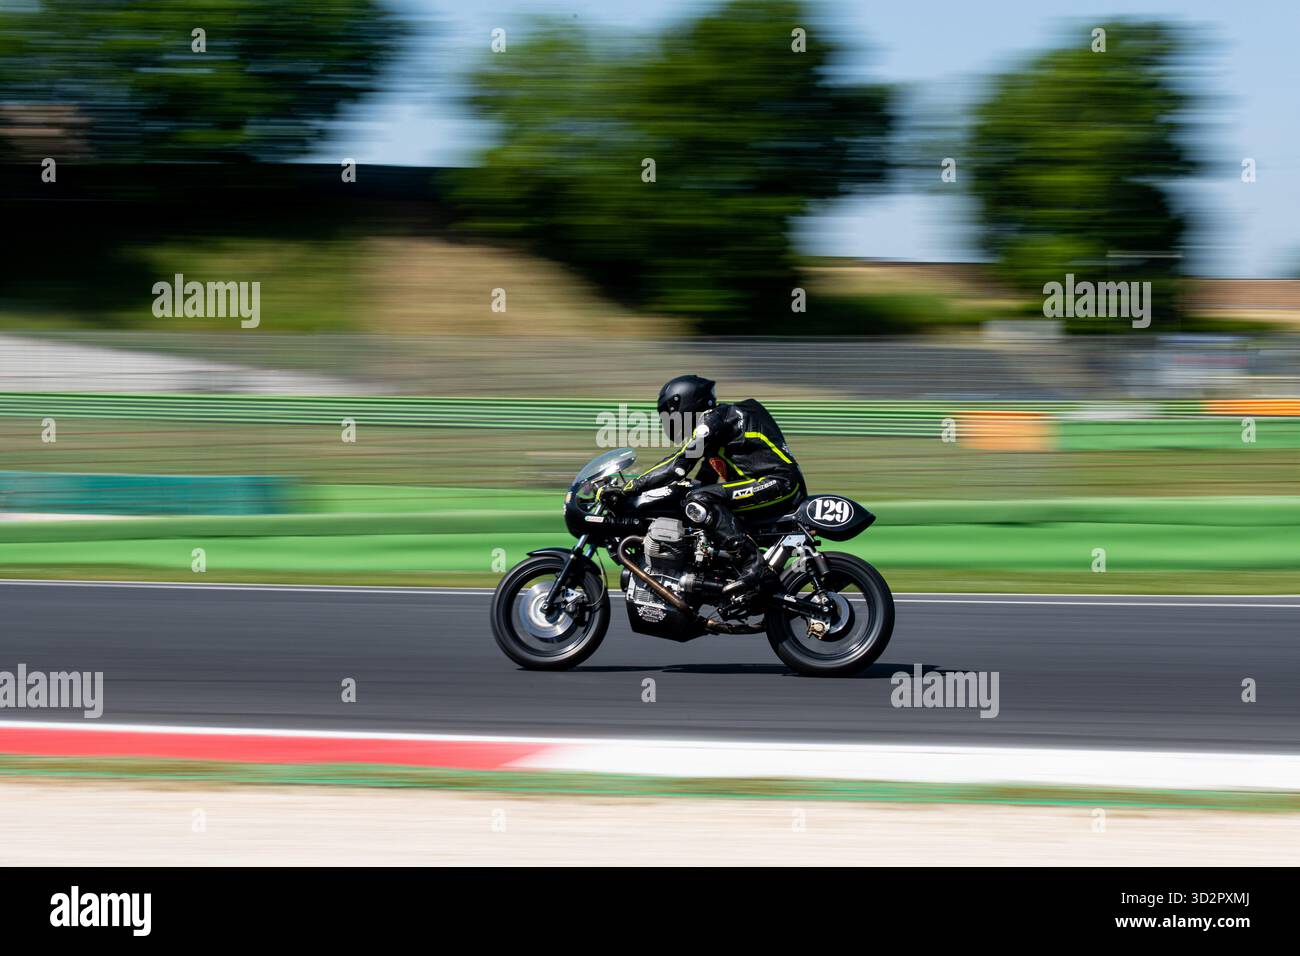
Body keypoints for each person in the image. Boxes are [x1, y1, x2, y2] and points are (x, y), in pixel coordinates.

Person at [601, 374, 806, 607]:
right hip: (772, 484)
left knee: (699, 501)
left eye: (670, 412)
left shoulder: (715, 420)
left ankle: (754, 565)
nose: (668, 419)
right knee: (695, 501)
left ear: (686, 403)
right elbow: (700, 479)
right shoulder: (719, 430)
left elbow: (678, 466)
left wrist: (631, 486)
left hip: (778, 483)